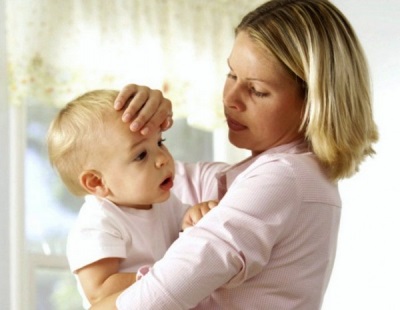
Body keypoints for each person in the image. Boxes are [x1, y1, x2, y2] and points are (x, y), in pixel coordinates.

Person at [91, 0, 379, 309]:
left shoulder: (283, 178)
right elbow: (125, 179)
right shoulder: (265, 174)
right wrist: (141, 128)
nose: (230, 99)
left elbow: (152, 301)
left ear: (314, 102)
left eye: (256, 90)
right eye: (231, 74)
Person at [47, 89, 217, 309]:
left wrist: (195, 216)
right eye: (141, 155)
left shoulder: (163, 202)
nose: (163, 159)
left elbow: (184, 223)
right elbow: (99, 291)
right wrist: (164, 276)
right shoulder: (98, 222)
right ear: (97, 182)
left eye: (159, 142)